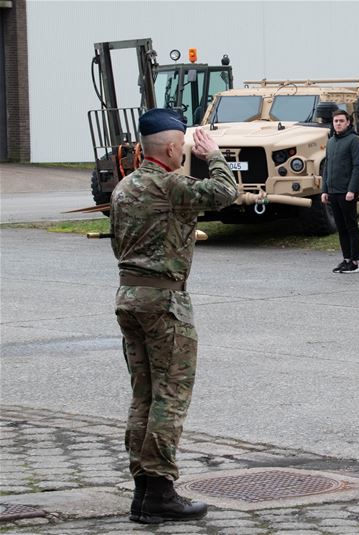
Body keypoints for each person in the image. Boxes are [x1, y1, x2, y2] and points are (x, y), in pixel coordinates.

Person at [110, 108, 237, 524]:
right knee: (171, 395)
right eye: (182, 147)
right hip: (165, 302)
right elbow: (225, 192)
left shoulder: (124, 188)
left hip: (129, 296)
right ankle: (160, 490)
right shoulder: (168, 185)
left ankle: (143, 492)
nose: (184, 153)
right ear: (169, 148)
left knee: (144, 394)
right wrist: (215, 154)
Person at [322, 109, 359, 274]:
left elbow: (358, 167)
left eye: (341, 121)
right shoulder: (331, 141)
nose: (338, 123)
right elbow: (327, 167)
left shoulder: (354, 140)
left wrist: (352, 189)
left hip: (347, 192)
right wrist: (324, 189)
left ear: (348, 122)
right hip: (332, 191)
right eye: (335, 121)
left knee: (351, 226)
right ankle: (346, 259)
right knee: (341, 227)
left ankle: (354, 262)